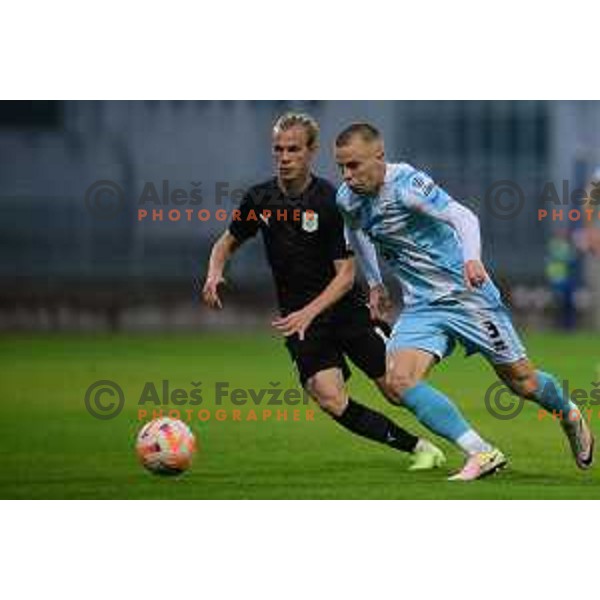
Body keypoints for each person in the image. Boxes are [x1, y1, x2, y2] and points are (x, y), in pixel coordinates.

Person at [334, 122, 594, 481]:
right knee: (398, 381)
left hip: (468, 296)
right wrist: (376, 283)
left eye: (354, 165)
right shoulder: (347, 198)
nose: (347, 176)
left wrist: (472, 258)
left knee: (522, 383)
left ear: (379, 156)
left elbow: (463, 216)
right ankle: (481, 451)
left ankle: (568, 412)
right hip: (423, 306)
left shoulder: (407, 185)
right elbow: (354, 231)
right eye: (341, 167)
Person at [202, 112, 445, 469]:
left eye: (293, 149)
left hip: (346, 311)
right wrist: (214, 272)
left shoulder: (329, 201)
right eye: (278, 150)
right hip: (302, 321)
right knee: (329, 398)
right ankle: (420, 448)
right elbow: (227, 241)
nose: (284, 157)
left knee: (396, 389)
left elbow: (345, 276)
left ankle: (469, 441)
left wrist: (309, 312)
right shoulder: (260, 200)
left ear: (311, 152)